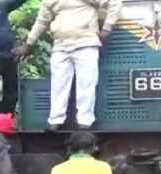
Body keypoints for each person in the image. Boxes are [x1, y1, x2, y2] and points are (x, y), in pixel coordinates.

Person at [13, 0, 122, 130]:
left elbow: (115, 3)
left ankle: (85, 123)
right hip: (61, 45)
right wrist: (29, 43)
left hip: (85, 43)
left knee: (86, 84)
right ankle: (55, 121)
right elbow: (42, 20)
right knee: (58, 84)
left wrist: (106, 29)